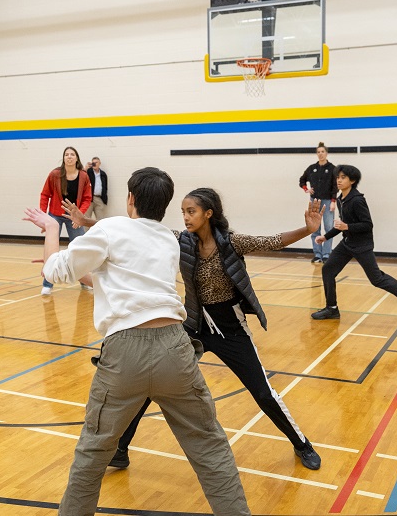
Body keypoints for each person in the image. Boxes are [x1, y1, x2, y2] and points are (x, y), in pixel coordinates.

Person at [24, 168, 251, 516]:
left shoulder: (111, 228)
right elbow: (115, 278)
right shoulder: (166, 239)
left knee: (93, 452)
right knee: (210, 447)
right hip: (176, 348)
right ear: (166, 205)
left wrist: (53, 229)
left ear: (130, 199)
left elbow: (55, 271)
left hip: (126, 351)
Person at [65, 188, 325, 471]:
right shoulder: (180, 241)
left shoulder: (232, 243)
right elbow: (134, 230)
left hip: (231, 330)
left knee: (263, 392)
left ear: (208, 213)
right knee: (149, 384)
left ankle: (302, 445)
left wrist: (308, 229)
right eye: (183, 212)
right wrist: (87, 221)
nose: (186, 218)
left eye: (192, 212)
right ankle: (121, 450)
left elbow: (272, 241)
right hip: (192, 327)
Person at [311, 164, 397, 326]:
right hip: (347, 243)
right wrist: (325, 236)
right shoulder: (341, 199)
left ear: (352, 180)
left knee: (377, 279)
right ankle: (332, 308)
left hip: (362, 245)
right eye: (338, 177)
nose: (339, 180)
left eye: (343, 177)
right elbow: (342, 225)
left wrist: (347, 227)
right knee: (328, 270)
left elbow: (367, 225)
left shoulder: (357, 200)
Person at [38, 146, 93, 295]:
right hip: (55, 214)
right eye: (66, 154)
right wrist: (43, 217)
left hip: (74, 215)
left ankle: (84, 280)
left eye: (72, 154)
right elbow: (45, 195)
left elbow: (88, 198)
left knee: (80, 249)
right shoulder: (55, 174)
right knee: (52, 251)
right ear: (63, 158)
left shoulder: (83, 176)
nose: (69, 157)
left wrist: (79, 216)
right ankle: (47, 284)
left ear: (77, 158)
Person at [299, 142, 337, 263]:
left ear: (326, 153)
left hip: (327, 201)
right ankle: (317, 254)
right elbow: (302, 180)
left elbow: (335, 186)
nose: (320, 154)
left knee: (328, 227)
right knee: (315, 228)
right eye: (318, 152)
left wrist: (333, 201)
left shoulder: (332, 168)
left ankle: (326, 254)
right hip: (314, 201)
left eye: (322, 152)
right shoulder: (312, 168)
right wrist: (306, 189)